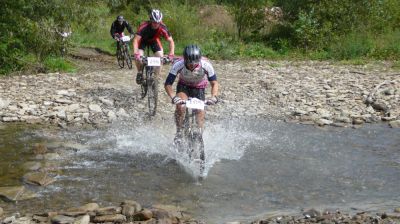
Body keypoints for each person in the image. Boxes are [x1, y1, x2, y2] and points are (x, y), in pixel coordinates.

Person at [164, 44, 219, 143]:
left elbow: (214, 83)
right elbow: (168, 84)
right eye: (189, 63)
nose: (192, 65)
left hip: (199, 87)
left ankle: (199, 134)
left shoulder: (206, 65)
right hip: (184, 86)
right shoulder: (178, 64)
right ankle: (179, 131)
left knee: (200, 112)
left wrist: (214, 97)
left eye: (195, 63)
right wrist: (173, 97)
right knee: (180, 107)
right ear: (184, 60)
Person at [133, 9, 175, 84]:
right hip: (142, 41)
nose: (156, 24)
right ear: (151, 20)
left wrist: (171, 54)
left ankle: (156, 78)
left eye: (158, 22)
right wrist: (136, 53)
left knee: (160, 58)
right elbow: (136, 40)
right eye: (154, 22)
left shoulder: (162, 27)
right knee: (138, 58)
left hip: (154, 41)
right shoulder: (144, 26)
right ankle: (139, 72)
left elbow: (171, 41)